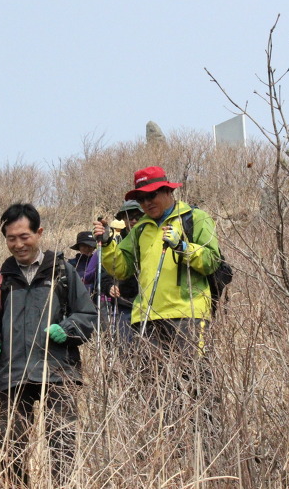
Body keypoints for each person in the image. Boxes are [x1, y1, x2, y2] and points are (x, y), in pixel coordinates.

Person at [0, 203, 96, 488]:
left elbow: (88, 316)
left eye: (24, 236)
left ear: (38, 233)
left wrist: (67, 329)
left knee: (62, 449)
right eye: (11, 238)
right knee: (11, 451)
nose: (18, 244)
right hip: (13, 375)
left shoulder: (62, 272)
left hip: (58, 373)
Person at [92, 166, 221, 438]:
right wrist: (107, 243)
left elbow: (212, 261)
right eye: (141, 199)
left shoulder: (195, 218)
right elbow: (122, 269)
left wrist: (183, 247)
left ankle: (208, 444)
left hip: (187, 313)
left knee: (194, 382)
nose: (147, 203)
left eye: (152, 195)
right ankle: (170, 448)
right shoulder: (140, 231)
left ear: (169, 191)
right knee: (157, 389)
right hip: (147, 318)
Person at [102, 200, 143, 344]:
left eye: (138, 216)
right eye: (129, 217)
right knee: (126, 348)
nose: (133, 220)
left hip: (150, 305)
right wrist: (109, 287)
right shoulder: (115, 242)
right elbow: (104, 272)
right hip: (124, 304)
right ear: (123, 219)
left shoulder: (152, 238)